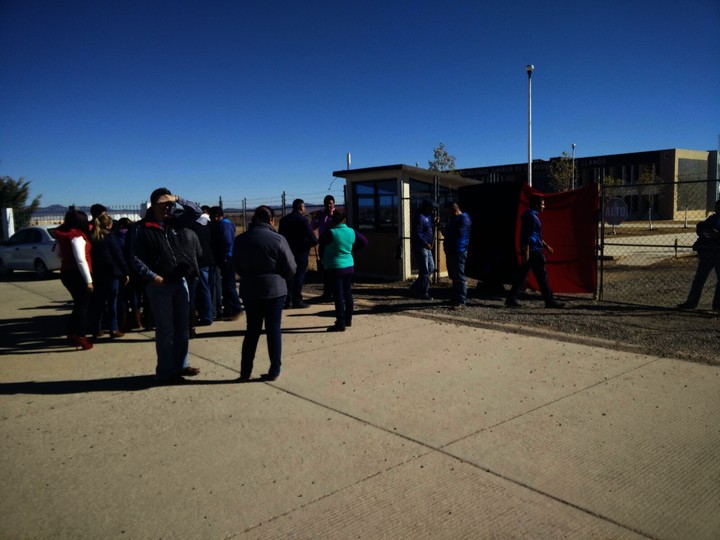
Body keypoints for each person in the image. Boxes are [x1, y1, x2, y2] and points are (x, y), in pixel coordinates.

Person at [131, 188, 202, 384]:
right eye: (163, 204)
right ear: (153, 205)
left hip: (179, 281)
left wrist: (179, 198)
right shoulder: (141, 228)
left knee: (182, 326)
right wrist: (152, 276)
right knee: (165, 329)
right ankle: (164, 370)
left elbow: (196, 212)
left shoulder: (173, 223)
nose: (167, 208)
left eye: (170, 204)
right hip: (160, 285)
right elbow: (134, 257)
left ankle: (181, 364)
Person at [232, 205, 296, 382]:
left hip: (250, 289)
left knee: (252, 330)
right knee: (273, 328)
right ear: (271, 220)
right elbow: (291, 268)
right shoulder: (278, 239)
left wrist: (248, 275)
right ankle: (274, 369)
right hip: (274, 290)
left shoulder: (241, 239)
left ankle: (245, 370)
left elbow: (236, 265)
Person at [505, 195, 565, 309]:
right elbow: (527, 235)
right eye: (542, 204)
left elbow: (534, 235)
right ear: (537, 205)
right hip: (534, 251)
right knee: (542, 277)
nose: (544, 206)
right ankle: (549, 301)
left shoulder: (530, 215)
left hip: (532, 250)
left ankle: (511, 298)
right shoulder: (532, 217)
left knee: (522, 276)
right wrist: (526, 253)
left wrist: (546, 246)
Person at [320, 210, 368, 332]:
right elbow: (364, 242)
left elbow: (321, 244)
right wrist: (352, 249)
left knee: (338, 296)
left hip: (334, 267)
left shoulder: (330, 233)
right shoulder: (351, 231)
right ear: (344, 220)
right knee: (347, 293)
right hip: (349, 265)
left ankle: (340, 322)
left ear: (333, 220)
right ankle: (348, 319)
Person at [54, 209, 94, 350]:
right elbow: (81, 260)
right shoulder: (77, 236)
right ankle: (81, 336)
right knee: (83, 307)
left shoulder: (64, 235)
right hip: (79, 275)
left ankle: (71, 332)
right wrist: (88, 281)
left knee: (78, 305)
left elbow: (58, 253)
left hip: (66, 273)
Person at [89, 214, 130, 338]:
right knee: (112, 302)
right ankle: (113, 328)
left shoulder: (93, 237)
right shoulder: (110, 237)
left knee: (99, 302)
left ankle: (97, 328)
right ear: (108, 225)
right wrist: (126, 271)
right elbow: (118, 255)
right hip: (111, 273)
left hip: (97, 273)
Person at [678, 199, 720, 311]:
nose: (717, 210)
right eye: (716, 208)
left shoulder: (713, 219)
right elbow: (700, 228)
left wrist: (715, 234)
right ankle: (691, 303)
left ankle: (717, 306)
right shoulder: (712, 219)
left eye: (719, 208)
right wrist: (705, 231)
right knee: (699, 279)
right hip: (708, 252)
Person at [279, 198, 318, 309]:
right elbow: (311, 237)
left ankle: (288, 300)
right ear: (301, 207)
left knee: (289, 275)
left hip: (287, 252)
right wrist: (312, 243)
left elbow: (280, 237)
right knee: (299, 276)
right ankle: (297, 300)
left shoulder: (284, 220)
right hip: (301, 252)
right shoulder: (303, 220)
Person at [209, 206, 244, 320]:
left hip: (227, 258)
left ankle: (237, 308)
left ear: (217, 216)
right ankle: (230, 309)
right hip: (227, 257)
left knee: (229, 285)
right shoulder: (223, 224)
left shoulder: (224, 225)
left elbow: (227, 242)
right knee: (227, 285)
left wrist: (224, 256)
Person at [442, 201, 472, 308]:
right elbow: (449, 233)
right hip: (451, 250)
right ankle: (456, 298)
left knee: (459, 276)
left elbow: (458, 234)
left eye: (448, 212)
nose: (447, 214)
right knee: (454, 276)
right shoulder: (454, 219)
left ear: (454, 210)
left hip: (459, 250)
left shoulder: (464, 219)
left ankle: (461, 300)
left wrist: (448, 231)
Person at [189, 206, 215, 326]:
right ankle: (209, 313)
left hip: (200, 261)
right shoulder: (208, 226)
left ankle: (207, 315)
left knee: (203, 289)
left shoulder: (193, 228)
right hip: (208, 259)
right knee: (207, 288)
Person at [409, 199, 438, 300]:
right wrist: (425, 243)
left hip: (427, 246)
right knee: (425, 270)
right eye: (432, 208)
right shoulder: (419, 217)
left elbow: (428, 227)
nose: (434, 210)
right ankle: (423, 292)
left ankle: (415, 287)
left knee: (431, 267)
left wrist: (434, 222)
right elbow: (417, 233)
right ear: (426, 207)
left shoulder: (428, 216)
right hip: (421, 246)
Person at [311, 194, 336, 302]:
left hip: (334, 245)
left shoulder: (337, 214)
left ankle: (335, 292)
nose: (328, 205)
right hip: (323, 244)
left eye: (330, 203)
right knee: (325, 269)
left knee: (334, 269)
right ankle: (327, 292)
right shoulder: (320, 215)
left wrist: (332, 216)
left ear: (333, 203)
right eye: (327, 203)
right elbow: (312, 227)